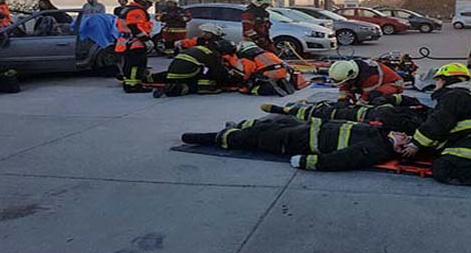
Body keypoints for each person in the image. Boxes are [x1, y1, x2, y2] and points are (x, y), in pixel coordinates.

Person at [181, 116, 405, 172]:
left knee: (253, 138)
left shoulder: (377, 149)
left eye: (405, 138)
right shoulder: (378, 135)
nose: (403, 134)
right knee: (269, 123)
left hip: (297, 141)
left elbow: (343, 159)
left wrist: (307, 162)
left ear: (399, 147)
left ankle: (212, 137)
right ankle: (239, 127)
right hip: (304, 128)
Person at [260, 94, 429, 135]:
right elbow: (405, 100)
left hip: (365, 119)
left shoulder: (418, 126)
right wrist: (387, 99)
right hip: (366, 110)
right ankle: (290, 109)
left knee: (324, 115)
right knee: (330, 107)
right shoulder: (422, 110)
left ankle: (284, 111)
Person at [153, 39, 235, 98]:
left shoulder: (202, 48)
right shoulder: (213, 54)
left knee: (201, 69)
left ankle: (150, 77)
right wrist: (228, 78)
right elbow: (217, 72)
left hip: (174, 70)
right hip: (188, 71)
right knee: (208, 73)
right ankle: (204, 88)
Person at [115, 0, 160, 93]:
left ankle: (129, 83)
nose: (151, 5)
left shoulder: (127, 9)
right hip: (135, 43)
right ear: (143, 1)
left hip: (126, 42)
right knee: (136, 64)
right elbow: (134, 26)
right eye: (149, 3)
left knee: (129, 63)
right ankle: (133, 85)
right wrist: (146, 40)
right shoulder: (137, 11)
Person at [328, 59, 404, 104]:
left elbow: (366, 96)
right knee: (351, 87)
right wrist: (343, 99)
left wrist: (357, 106)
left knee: (374, 95)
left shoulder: (370, 76)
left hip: (394, 83)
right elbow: (345, 85)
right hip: (373, 82)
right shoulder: (350, 69)